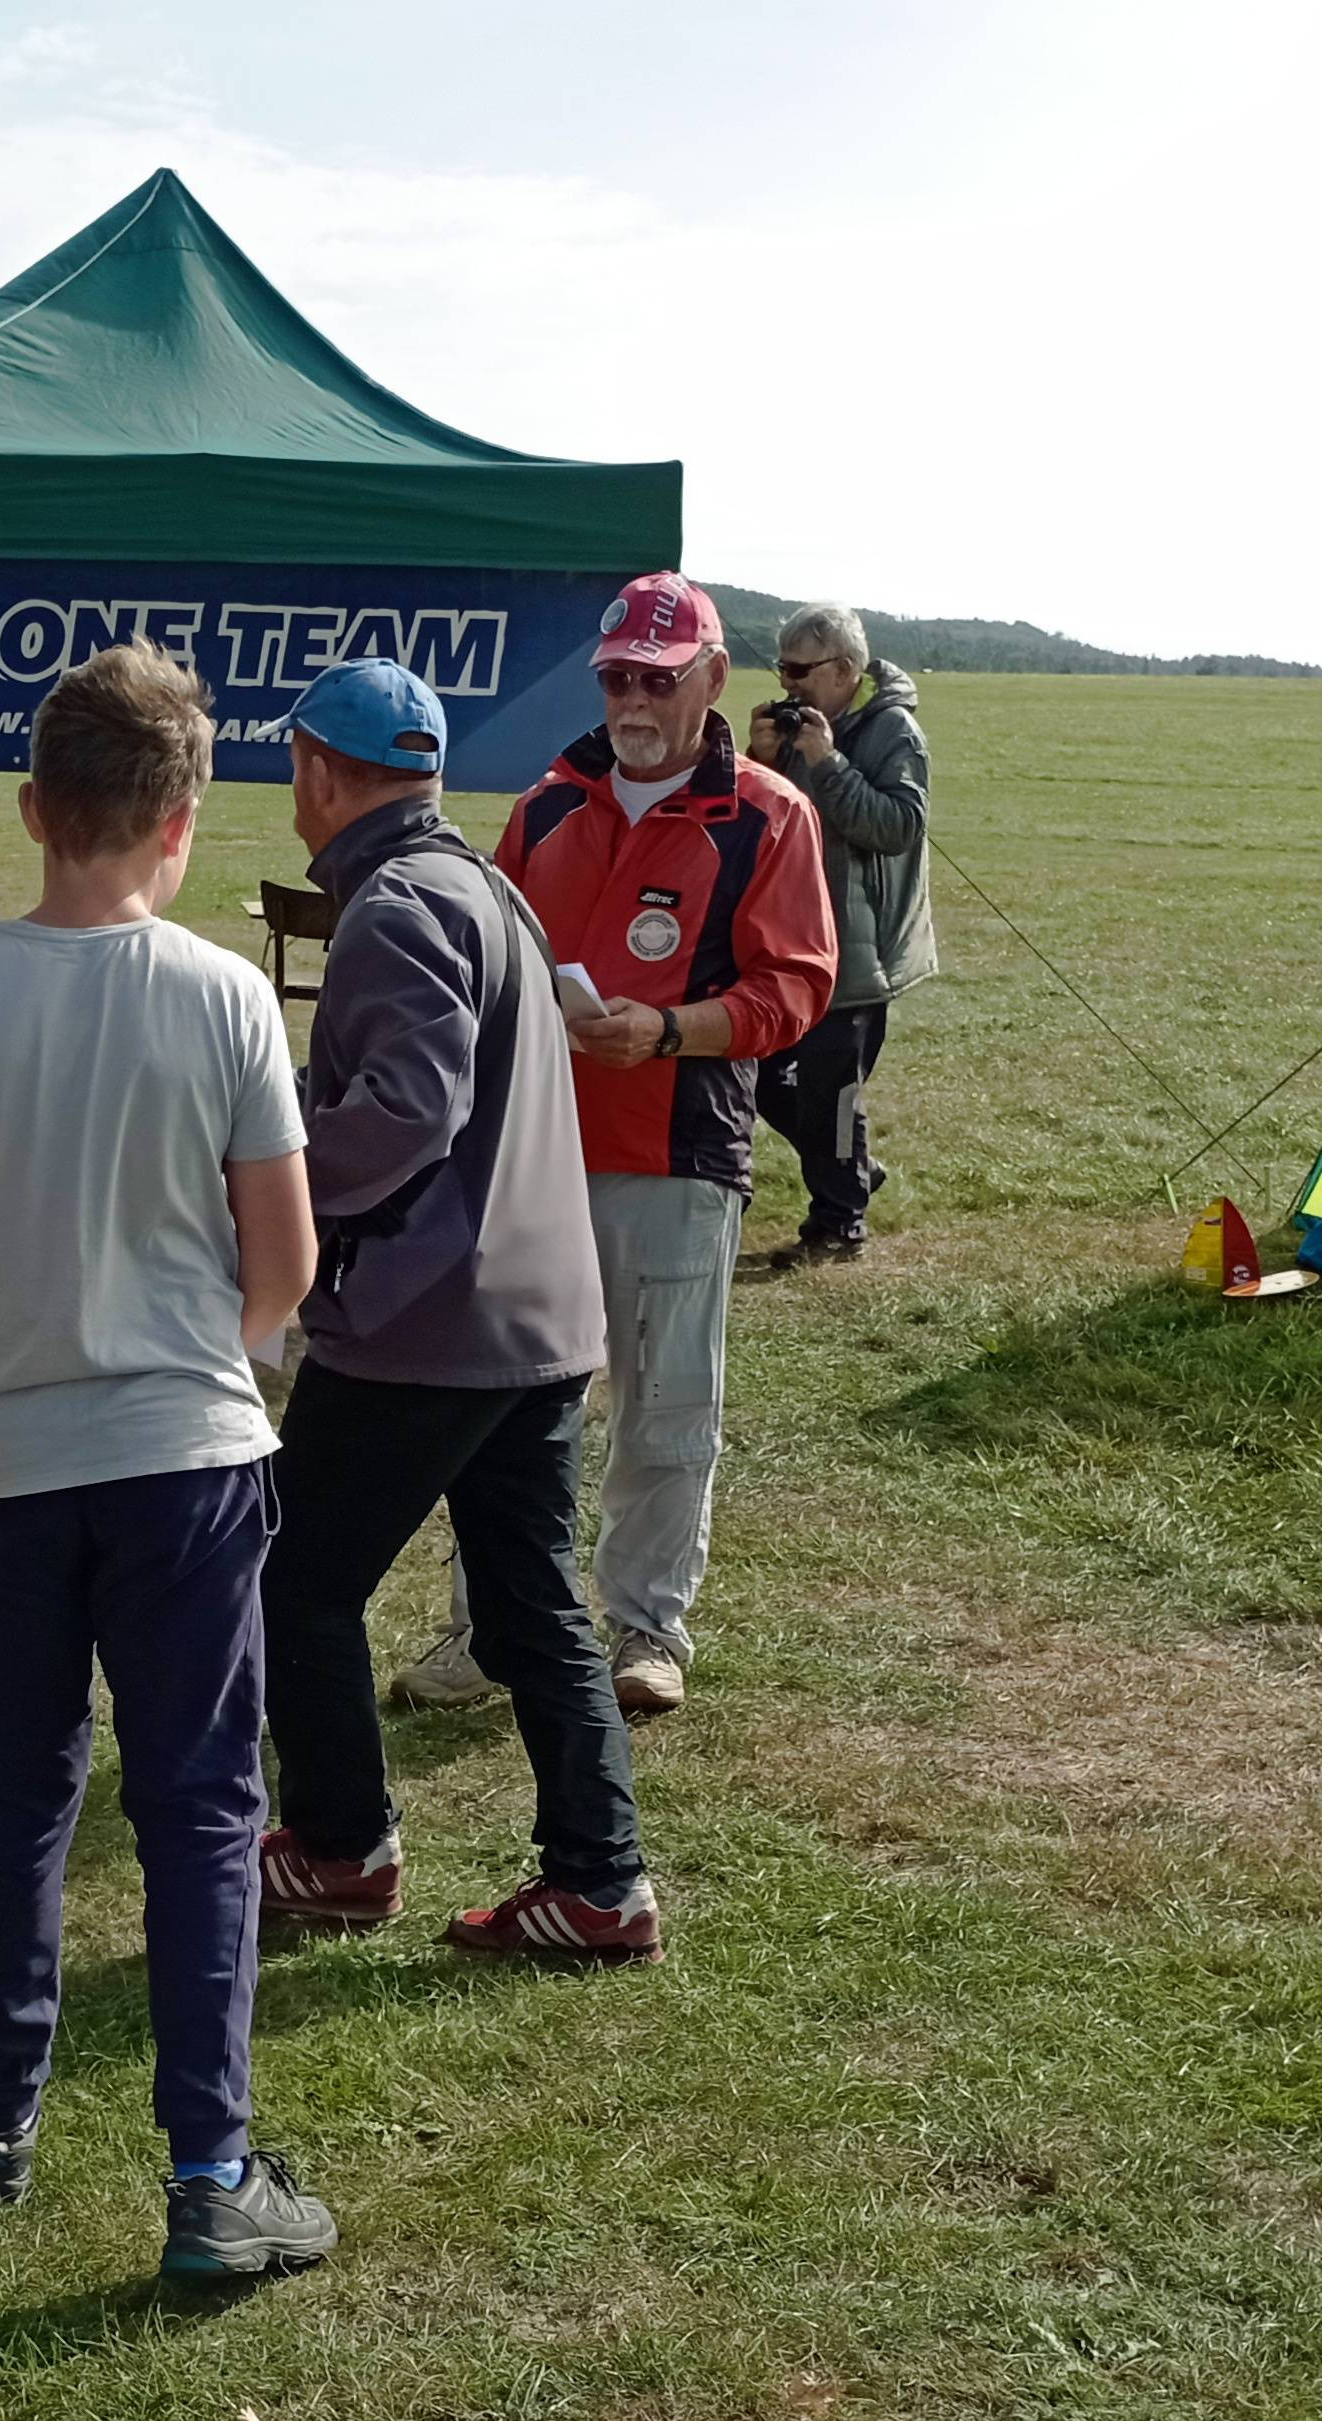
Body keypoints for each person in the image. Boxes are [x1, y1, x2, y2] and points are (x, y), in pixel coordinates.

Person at [0, 641, 332, 2281]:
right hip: (187, 1461)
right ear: (180, 823)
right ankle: (211, 2170)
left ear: (33, 809)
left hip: (3, 1463)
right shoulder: (227, 994)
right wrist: (200, 1354)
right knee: (199, 1806)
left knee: (11, 1796)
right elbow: (287, 1260)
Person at [250, 661, 659, 1965]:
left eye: (296, 768)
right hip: (540, 1314)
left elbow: (407, 1113)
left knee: (292, 1579)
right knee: (532, 1604)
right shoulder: (486, 884)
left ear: (322, 771)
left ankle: (340, 1848)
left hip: (429, 1319)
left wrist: (266, 1180)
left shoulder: (395, 905)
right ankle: (602, 1883)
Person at [398, 574, 834, 1721]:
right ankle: (487, 1630)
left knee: (666, 1410)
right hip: (527, 1159)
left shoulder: (771, 816)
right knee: (499, 1408)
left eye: (658, 677)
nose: (634, 699)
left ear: (712, 678)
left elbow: (796, 988)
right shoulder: (545, 807)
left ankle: (648, 1627)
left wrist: (670, 1032)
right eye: (617, 679)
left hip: (679, 1154)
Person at [750, 603, 933, 1261]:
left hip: (858, 952)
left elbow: (897, 827)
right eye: (782, 668)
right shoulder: (799, 727)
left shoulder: (894, 730)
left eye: (800, 670)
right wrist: (760, 762)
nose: (787, 682)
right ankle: (852, 1173)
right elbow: (765, 820)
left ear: (846, 670)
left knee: (829, 1096)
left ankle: (838, 1225)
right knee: (761, 1077)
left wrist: (827, 762)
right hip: (791, 937)